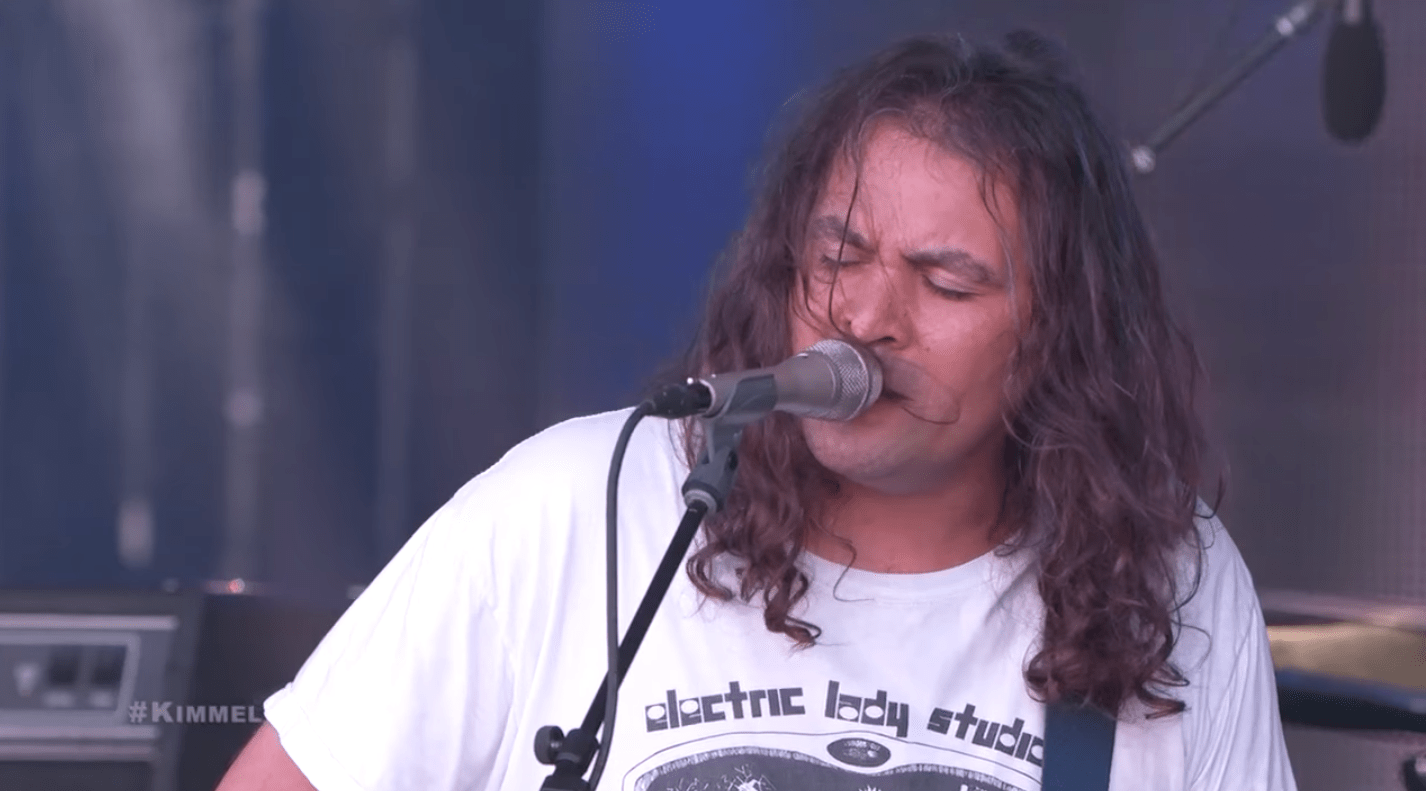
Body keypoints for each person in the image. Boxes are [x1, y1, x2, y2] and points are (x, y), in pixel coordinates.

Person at [217, 31, 1297, 791]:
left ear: (1061, 331)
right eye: (838, 256)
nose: (865, 316)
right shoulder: (571, 506)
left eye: (945, 282)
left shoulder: (1167, 578)